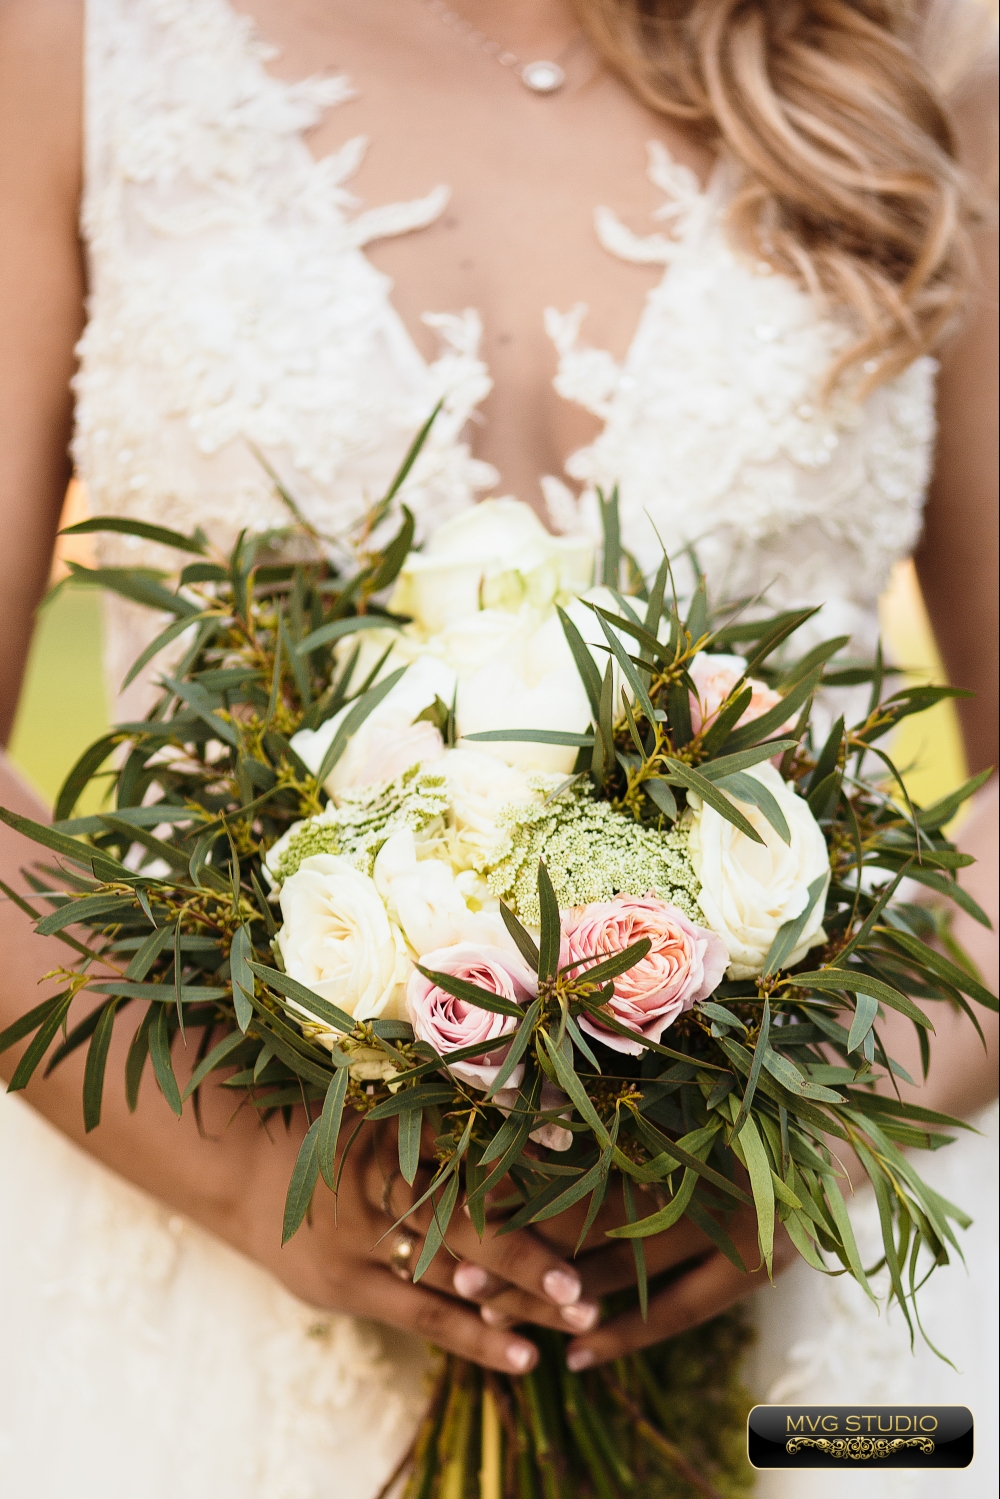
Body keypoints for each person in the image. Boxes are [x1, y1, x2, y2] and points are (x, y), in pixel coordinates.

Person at [0, 2, 996, 1495]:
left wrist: (820, 1143)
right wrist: (247, 1171)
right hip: (214, 1272)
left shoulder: (926, 68)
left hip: (806, 1315)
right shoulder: (77, 46)